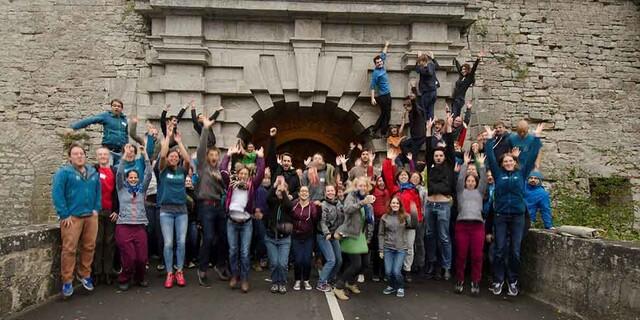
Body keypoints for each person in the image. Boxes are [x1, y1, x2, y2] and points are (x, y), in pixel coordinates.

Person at [484, 124, 542, 297]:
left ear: (515, 162)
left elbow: (531, 156)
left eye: (511, 161)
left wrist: (537, 138)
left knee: (515, 251)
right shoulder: (498, 173)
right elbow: (491, 157)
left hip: (518, 217)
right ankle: (498, 280)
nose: (508, 163)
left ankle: (513, 280)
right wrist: (488, 139)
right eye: (506, 161)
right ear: (502, 163)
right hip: (501, 216)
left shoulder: (522, 173)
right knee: (500, 249)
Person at [51, 143, 101, 298]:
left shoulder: (93, 172)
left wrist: (96, 209)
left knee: (90, 246)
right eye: (76, 154)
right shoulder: (63, 172)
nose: (79, 156)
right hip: (72, 217)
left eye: (82, 153)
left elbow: (98, 192)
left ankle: (84, 274)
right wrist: (63, 213)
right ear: (70, 157)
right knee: (69, 249)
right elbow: (57, 193)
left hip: (90, 216)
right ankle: (67, 280)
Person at [221, 144, 266, 293]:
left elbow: (260, 174)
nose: (243, 176)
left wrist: (260, 158)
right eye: (241, 173)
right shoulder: (231, 184)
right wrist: (228, 155)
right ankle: (235, 275)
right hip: (232, 223)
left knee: (245, 253)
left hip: (246, 223)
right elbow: (222, 170)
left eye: (246, 174)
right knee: (233, 251)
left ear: (248, 175)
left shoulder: (252, 185)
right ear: (237, 174)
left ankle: (245, 278)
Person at [194, 116, 228, 286]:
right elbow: (201, 148)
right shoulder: (202, 166)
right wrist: (205, 128)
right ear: (208, 157)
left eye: (216, 155)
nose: (214, 157)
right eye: (211, 155)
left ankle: (220, 266)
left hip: (219, 207)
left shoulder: (220, 171)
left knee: (224, 236)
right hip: (206, 206)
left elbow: (226, 188)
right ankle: (202, 269)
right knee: (207, 238)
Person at [157, 126, 191, 288]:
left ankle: (179, 271)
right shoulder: (163, 170)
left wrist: (179, 142)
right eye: (171, 156)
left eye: (175, 156)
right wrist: (168, 138)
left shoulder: (181, 172)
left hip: (181, 211)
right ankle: (170, 273)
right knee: (169, 243)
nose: (173, 158)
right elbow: (163, 155)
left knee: (181, 242)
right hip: (166, 211)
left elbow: (188, 160)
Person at [115, 145, 152, 291]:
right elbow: (119, 174)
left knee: (142, 258)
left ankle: (140, 278)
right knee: (129, 257)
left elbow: (148, 174)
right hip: (124, 226)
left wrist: (145, 155)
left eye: (135, 177)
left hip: (139, 226)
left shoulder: (142, 190)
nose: (133, 179)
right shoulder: (121, 189)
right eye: (130, 177)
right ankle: (124, 278)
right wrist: (125, 155)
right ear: (127, 178)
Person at [332, 176, 375, 301]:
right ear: (356, 187)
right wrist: (363, 203)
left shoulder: (368, 200)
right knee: (356, 265)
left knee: (365, 263)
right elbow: (347, 209)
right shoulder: (352, 196)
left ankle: (350, 283)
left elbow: (369, 220)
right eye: (360, 185)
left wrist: (369, 235)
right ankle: (338, 287)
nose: (362, 188)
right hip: (350, 234)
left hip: (362, 235)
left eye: (364, 186)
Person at [424, 116, 456, 280]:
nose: (437, 157)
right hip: (430, 204)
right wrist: (428, 130)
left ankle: (446, 267)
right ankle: (431, 263)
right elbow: (428, 150)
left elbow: (450, 147)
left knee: (444, 237)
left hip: (443, 205)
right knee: (430, 235)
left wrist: (449, 127)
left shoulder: (449, 164)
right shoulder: (430, 166)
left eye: (440, 156)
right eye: (436, 156)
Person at [453, 152, 488, 295]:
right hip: (462, 226)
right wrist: (465, 164)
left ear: (476, 183)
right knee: (461, 255)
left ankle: (475, 281)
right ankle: (460, 280)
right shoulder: (460, 192)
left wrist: (481, 165)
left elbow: (484, 179)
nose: (471, 182)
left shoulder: (480, 192)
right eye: (469, 181)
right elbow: (460, 178)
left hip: (477, 227)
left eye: (473, 181)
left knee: (477, 256)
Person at [378, 196, 418, 298]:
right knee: (388, 272)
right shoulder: (384, 217)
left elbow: (413, 226)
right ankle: (391, 286)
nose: (395, 205)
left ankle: (400, 287)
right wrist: (381, 249)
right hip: (388, 248)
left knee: (396, 271)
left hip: (401, 249)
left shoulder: (405, 216)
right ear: (390, 205)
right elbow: (381, 234)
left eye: (397, 203)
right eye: (393, 203)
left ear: (400, 205)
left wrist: (414, 213)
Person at [93, 147, 119, 286]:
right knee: (97, 242)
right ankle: (97, 273)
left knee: (110, 243)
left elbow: (118, 192)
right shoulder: (93, 171)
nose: (103, 156)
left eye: (105, 154)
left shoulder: (114, 171)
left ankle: (108, 272)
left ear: (109, 156)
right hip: (96, 211)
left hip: (110, 211)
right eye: (100, 154)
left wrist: (117, 210)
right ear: (97, 157)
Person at [264, 177, 294, 294]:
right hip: (271, 237)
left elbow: (288, 206)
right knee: (274, 263)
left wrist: (283, 192)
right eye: (278, 190)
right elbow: (267, 198)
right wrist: (275, 185)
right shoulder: (272, 202)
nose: (279, 191)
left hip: (284, 239)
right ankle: (275, 282)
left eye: (283, 190)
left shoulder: (288, 203)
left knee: (282, 263)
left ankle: (282, 282)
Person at [316, 185, 344, 292]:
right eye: (328, 191)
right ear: (325, 192)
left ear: (335, 192)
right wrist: (327, 233)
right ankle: (321, 283)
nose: (330, 192)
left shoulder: (339, 204)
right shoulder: (323, 205)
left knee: (339, 260)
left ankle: (331, 278)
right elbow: (322, 221)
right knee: (331, 260)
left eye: (332, 190)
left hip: (334, 235)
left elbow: (343, 218)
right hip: (324, 235)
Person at [291, 186, 319, 291]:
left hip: (308, 237)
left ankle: (306, 280)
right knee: (298, 260)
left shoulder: (313, 206)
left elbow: (316, 219)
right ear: (299, 193)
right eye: (302, 191)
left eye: (306, 191)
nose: (304, 193)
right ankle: (297, 280)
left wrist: (319, 207)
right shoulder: (294, 204)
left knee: (307, 260)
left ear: (309, 193)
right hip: (296, 236)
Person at [267, 127, 301, 199]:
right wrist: (272, 138)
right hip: (274, 201)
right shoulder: (276, 169)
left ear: (291, 163)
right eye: (284, 161)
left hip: (288, 203)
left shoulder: (295, 175)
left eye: (288, 161)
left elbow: (298, 189)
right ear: (281, 162)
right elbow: (271, 155)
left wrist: (292, 196)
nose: (286, 163)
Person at [369, 40, 392, 138]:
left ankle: (374, 130)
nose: (379, 63)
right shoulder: (376, 73)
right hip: (383, 96)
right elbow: (372, 86)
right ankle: (382, 133)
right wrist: (372, 98)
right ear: (375, 64)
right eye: (377, 63)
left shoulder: (382, 65)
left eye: (380, 62)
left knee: (384, 114)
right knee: (387, 115)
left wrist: (386, 45)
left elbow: (383, 54)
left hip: (387, 94)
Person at [370, 176, 390, 282]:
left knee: (387, 247)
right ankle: (376, 272)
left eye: (383, 180)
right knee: (377, 247)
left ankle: (386, 272)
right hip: (377, 221)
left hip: (388, 221)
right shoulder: (373, 191)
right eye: (379, 180)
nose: (381, 182)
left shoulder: (389, 192)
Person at [451, 52, 483, 117]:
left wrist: (478, 59)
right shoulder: (461, 77)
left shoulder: (469, 78)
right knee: (455, 115)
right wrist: (454, 58)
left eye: (464, 69)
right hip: (455, 98)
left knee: (454, 115)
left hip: (459, 99)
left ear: (468, 70)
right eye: (462, 69)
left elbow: (474, 68)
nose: (463, 71)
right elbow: (458, 67)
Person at [415, 51, 440, 121]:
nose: (419, 63)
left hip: (427, 92)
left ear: (423, 61)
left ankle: (425, 126)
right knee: (431, 110)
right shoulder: (432, 65)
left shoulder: (424, 68)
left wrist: (419, 57)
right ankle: (430, 126)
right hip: (433, 92)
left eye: (420, 62)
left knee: (424, 110)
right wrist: (433, 58)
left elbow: (417, 69)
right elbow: (437, 66)